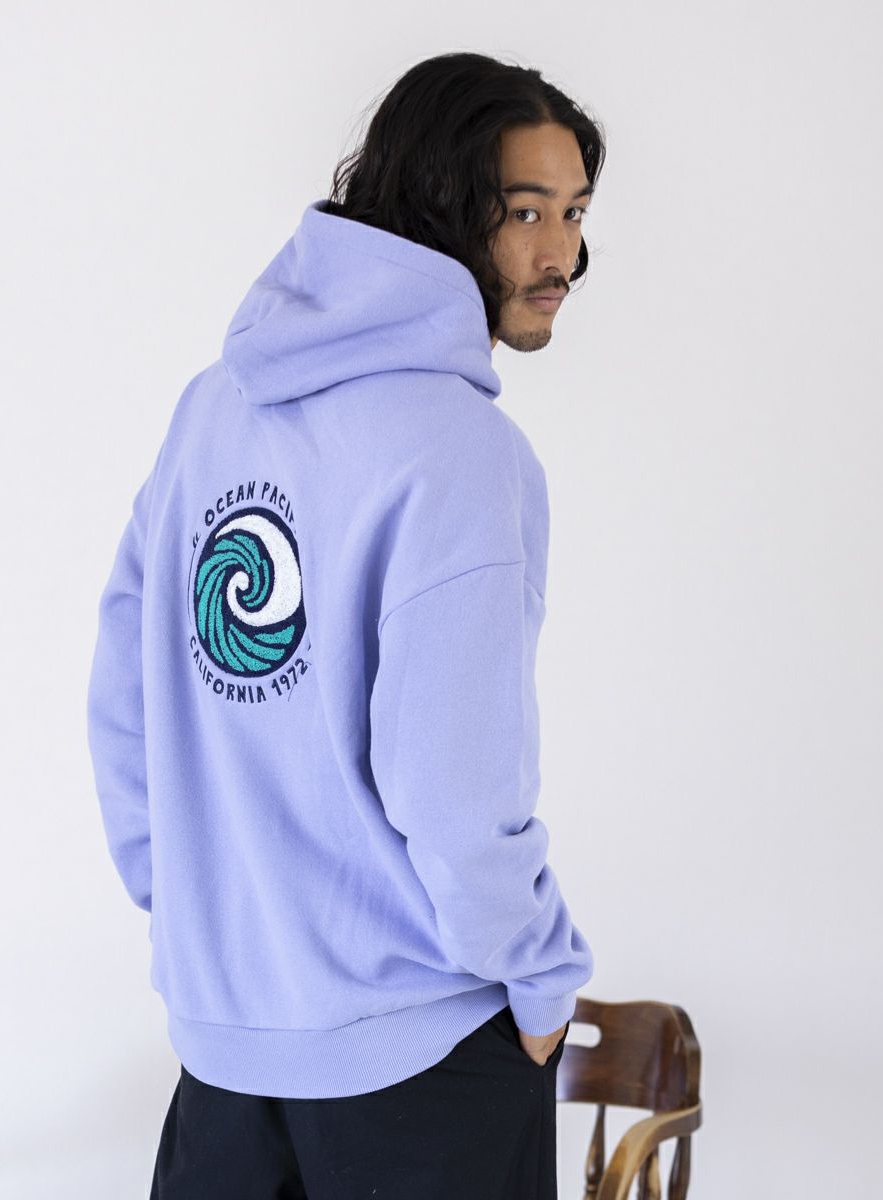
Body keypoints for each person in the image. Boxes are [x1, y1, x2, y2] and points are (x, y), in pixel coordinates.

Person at [86, 49, 606, 1200]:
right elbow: (455, 787)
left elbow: (124, 697)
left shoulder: (213, 410)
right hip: (421, 1064)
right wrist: (537, 983)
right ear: (440, 201)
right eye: (525, 211)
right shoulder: (462, 451)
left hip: (224, 1053)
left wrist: (203, 916)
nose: (561, 255)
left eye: (573, 213)